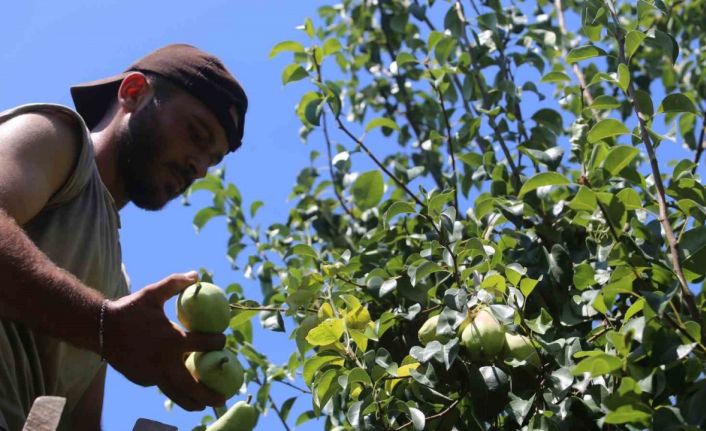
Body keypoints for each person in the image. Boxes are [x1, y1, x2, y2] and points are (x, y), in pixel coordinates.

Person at [0, 44, 248, 431]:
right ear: (133, 92)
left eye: (210, 161)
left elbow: (75, 422)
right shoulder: (56, 140)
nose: (198, 167)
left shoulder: (117, 283)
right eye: (196, 134)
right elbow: (101, 323)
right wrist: (102, 324)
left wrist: (105, 326)